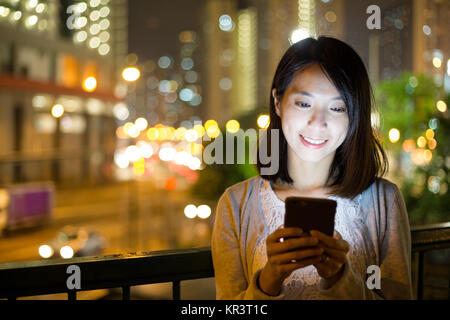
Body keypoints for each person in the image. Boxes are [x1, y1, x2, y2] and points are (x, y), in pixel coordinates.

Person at [211, 36, 414, 300]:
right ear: (277, 101)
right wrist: (269, 280)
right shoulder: (236, 204)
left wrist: (340, 278)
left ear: (355, 115)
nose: (318, 122)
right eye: (304, 103)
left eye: (337, 107)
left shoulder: (384, 200)